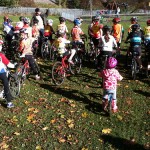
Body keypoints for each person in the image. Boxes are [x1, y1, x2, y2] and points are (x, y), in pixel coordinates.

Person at [0, 40, 16, 108]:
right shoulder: (1, 55)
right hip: (1, 72)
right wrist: (15, 65)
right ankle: (9, 102)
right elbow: (8, 64)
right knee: (6, 84)